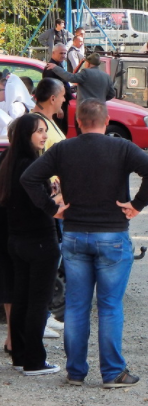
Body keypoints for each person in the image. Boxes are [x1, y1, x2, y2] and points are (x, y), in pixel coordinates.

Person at [21, 99, 148, 389]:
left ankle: (75, 371)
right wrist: (136, 205)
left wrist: (51, 208)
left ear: (79, 122)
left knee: (75, 306)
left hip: (74, 234)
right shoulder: (121, 147)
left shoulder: (63, 148)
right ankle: (112, 373)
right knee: (110, 306)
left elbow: (29, 177)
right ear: (107, 119)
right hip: (111, 234)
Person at [0, 113, 63, 375]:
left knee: (22, 298)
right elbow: (43, 206)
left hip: (17, 240)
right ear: (26, 134)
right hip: (38, 241)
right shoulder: (32, 166)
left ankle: (20, 355)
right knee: (38, 301)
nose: (44, 136)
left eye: (45, 130)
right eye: (39, 131)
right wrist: (56, 200)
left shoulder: (8, 163)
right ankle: (35, 361)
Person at [46, 53, 115, 104]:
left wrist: (55, 68)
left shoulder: (85, 72)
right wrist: (100, 99)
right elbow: (111, 94)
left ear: (88, 63)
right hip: (100, 111)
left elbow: (71, 78)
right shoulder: (106, 76)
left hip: (85, 110)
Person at [43, 43, 72, 133]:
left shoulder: (58, 65)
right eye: (61, 53)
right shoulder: (51, 68)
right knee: (59, 131)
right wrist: (58, 108)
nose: (63, 56)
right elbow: (50, 90)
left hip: (61, 104)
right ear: (53, 53)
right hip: (56, 106)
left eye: (64, 53)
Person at [30, 79, 67, 149]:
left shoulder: (44, 119)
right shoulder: (37, 125)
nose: (64, 100)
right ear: (53, 99)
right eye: (63, 96)